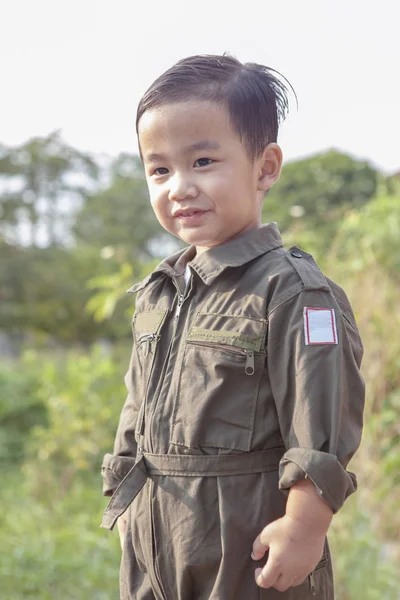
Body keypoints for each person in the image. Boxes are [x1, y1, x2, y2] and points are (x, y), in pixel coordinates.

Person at [100, 54, 365, 600]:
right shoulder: (159, 292)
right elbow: (137, 404)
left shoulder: (293, 292)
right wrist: (123, 498)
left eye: (202, 161)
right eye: (159, 169)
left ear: (265, 166)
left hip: (247, 542)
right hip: (158, 538)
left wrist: (304, 526)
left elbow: (321, 419)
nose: (179, 187)